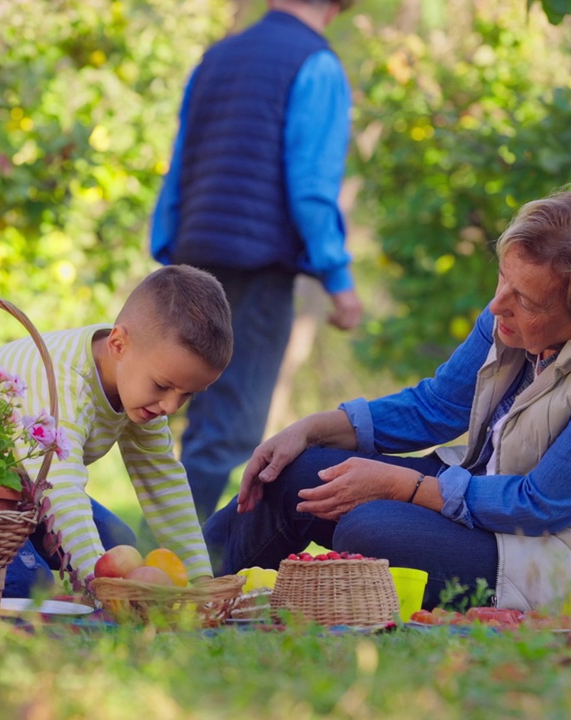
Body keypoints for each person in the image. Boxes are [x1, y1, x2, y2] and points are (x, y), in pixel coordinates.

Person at [203, 187, 571, 611]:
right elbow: (436, 408)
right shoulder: (517, 312)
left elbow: (540, 505)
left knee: (369, 528)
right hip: (494, 500)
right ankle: (184, 587)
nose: (498, 305)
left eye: (525, 300)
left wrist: (403, 486)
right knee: (295, 471)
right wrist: (311, 428)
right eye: (503, 279)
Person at [149, 0, 364, 522]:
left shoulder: (217, 57)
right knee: (231, 427)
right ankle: (174, 575)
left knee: (171, 411)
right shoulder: (317, 64)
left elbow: (180, 165)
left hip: (193, 257)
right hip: (257, 271)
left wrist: (168, 247)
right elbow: (311, 189)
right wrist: (339, 280)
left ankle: (152, 560)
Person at [0, 266, 233, 597]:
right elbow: (61, 487)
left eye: (187, 394)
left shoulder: (144, 384)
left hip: (18, 484)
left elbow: (163, 483)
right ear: (118, 343)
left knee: (121, 546)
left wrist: (200, 579)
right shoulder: (64, 380)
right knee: (27, 584)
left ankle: (12, 546)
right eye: (163, 386)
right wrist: (97, 581)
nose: (171, 407)